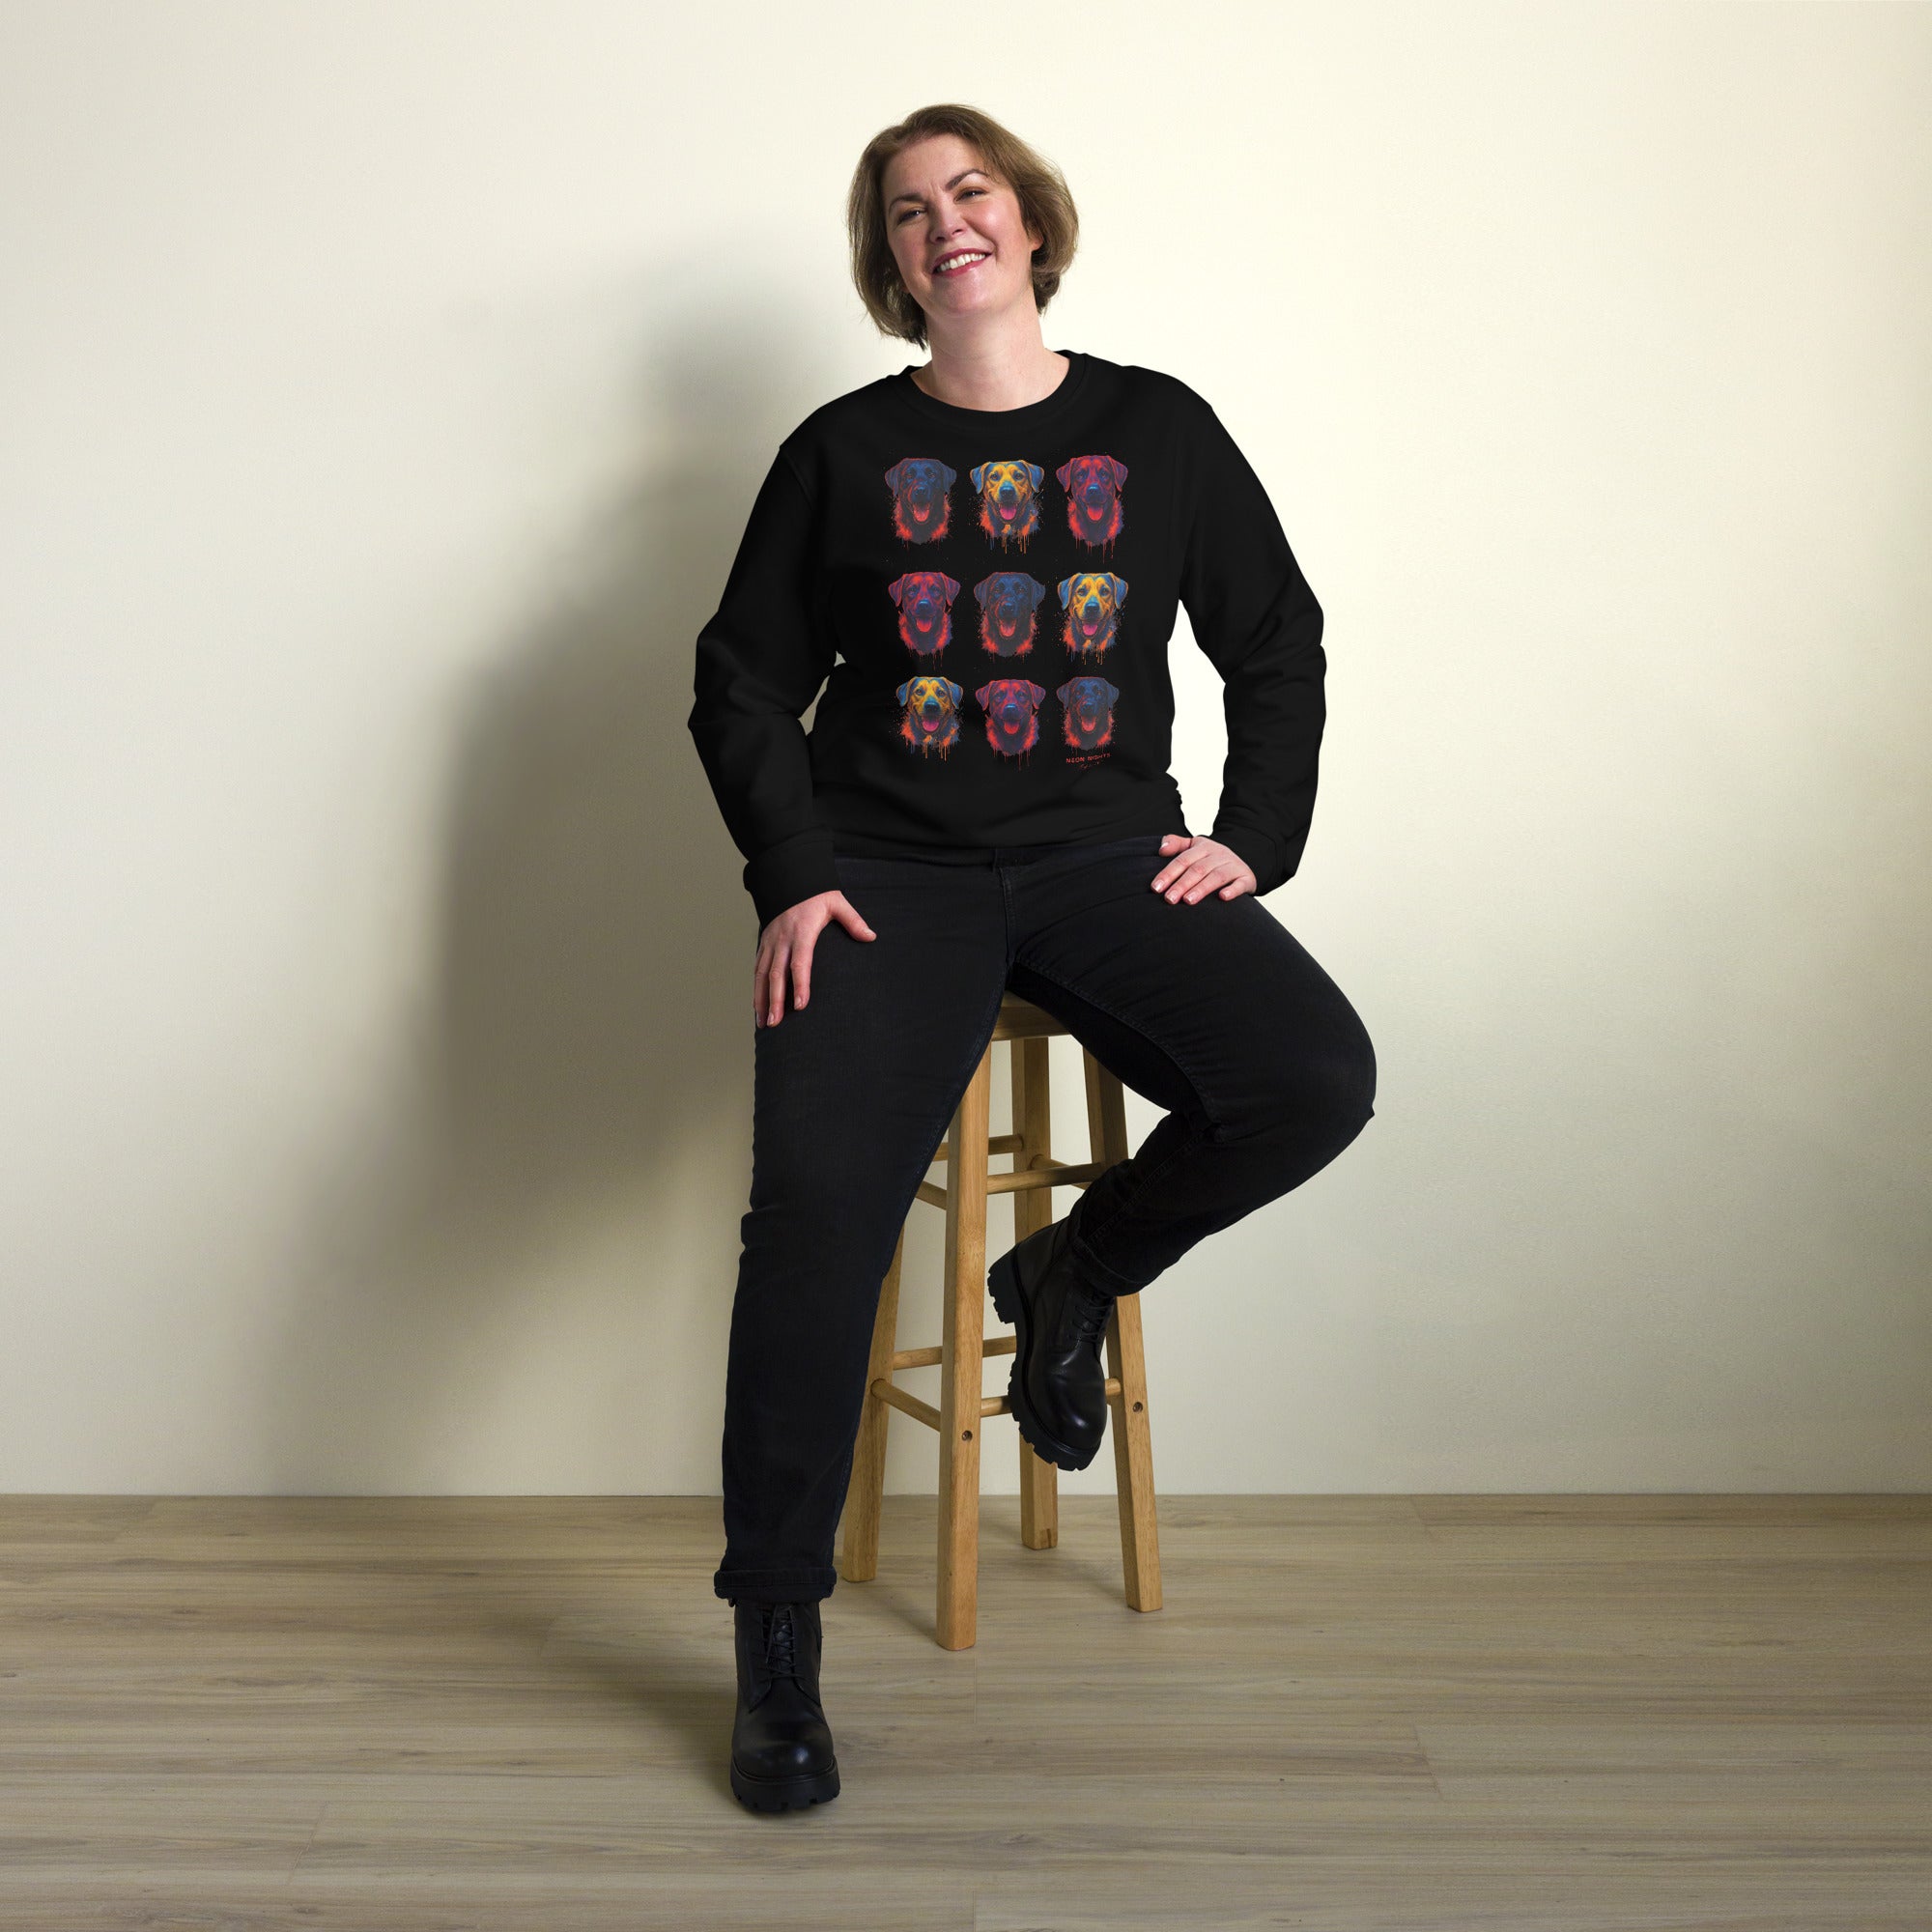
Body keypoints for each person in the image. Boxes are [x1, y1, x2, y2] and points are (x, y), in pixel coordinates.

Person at [686, 102, 1378, 1813]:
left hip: (1101, 859)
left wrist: (1255, 834)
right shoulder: (842, 451)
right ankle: (777, 1643)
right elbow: (742, 682)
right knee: (812, 1230)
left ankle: (1075, 1270)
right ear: (891, 262)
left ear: (1032, 221)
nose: (946, 223)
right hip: (887, 880)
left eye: (970, 190)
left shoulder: (1160, 430)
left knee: (1311, 1078)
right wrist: (792, 874)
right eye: (906, 211)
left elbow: (1275, 638)